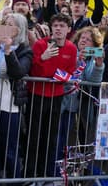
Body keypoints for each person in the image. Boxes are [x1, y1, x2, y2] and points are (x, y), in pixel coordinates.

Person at [0, 13, 32, 181]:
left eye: (11, 24)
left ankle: (12, 181)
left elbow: (18, 72)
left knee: (9, 149)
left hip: (10, 106)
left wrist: (8, 50)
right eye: (5, 23)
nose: (6, 27)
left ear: (19, 30)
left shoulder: (25, 51)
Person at [26, 13, 77, 177]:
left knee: (50, 138)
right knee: (34, 136)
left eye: (62, 26)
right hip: (37, 94)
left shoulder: (71, 48)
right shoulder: (40, 44)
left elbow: (68, 72)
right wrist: (43, 57)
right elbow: (34, 70)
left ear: (68, 29)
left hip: (57, 96)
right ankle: (30, 174)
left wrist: (52, 74)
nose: (58, 29)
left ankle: (45, 174)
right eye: (55, 25)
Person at [58, 26, 104, 160]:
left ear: (95, 45)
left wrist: (99, 65)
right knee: (59, 139)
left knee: (74, 141)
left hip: (79, 107)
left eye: (89, 40)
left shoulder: (94, 60)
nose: (84, 41)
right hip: (62, 103)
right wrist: (78, 59)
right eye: (82, 38)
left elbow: (92, 80)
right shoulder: (69, 52)